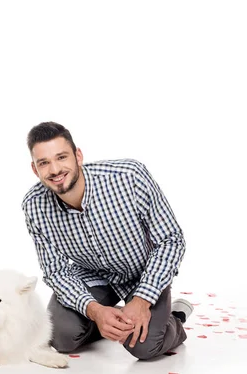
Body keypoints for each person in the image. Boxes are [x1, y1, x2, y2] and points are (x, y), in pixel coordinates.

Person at [21, 121, 193, 360]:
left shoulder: (129, 176)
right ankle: (111, 320)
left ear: (78, 156)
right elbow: (56, 271)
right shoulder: (34, 204)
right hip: (93, 275)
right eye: (44, 163)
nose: (55, 169)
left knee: (144, 346)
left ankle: (175, 317)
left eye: (61, 157)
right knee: (60, 337)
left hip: (143, 272)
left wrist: (143, 299)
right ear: (34, 169)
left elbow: (171, 240)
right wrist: (95, 312)